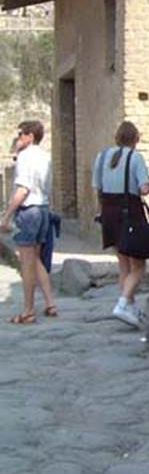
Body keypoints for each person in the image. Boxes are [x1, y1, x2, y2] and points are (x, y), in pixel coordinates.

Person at [92, 121, 149, 328]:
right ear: (136, 138)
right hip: (129, 213)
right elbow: (144, 188)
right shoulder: (136, 158)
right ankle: (123, 303)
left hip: (108, 213)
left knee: (123, 263)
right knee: (139, 265)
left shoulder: (101, 157)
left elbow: (97, 187)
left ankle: (131, 308)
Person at [0, 120, 58, 324]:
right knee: (36, 258)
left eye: (21, 135)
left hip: (28, 210)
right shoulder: (45, 157)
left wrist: (7, 215)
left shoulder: (25, 157)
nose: (18, 138)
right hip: (43, 209)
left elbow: (23, 189)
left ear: (30, 136)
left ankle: (28, 310)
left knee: (26, 263)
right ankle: (50, 303)